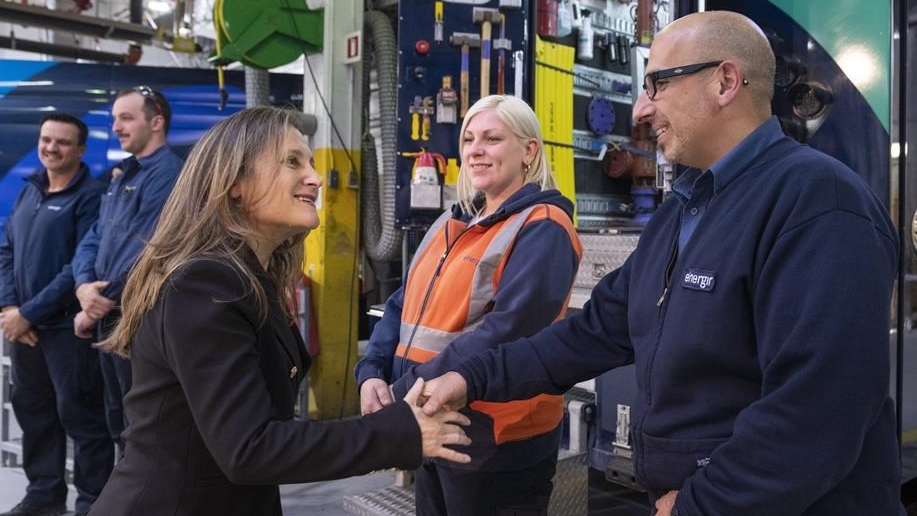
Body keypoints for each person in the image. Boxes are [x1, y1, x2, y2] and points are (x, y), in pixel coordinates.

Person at [422, 11, 905, 516]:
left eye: (656, 84)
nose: (639, 108)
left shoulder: (818, 203)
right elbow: (590, 333)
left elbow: (817, 412)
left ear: (724, 82)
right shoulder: (684, 209)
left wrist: (699, 505)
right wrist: (470, 378)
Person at [84, 106, 472, 516]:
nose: (316, 177)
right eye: (292, 161)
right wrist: (399, 431)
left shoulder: (245, 276)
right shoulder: (204, 285)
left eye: (309, 161)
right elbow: (249, 448)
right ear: (235, 183)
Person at [355, 94, 582, 516]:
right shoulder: (451, 222)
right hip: (431, 426)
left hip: (496, 442)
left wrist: (401, 396)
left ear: (529, 150)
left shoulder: (544, 228)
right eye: (469, 139)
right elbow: (401, 305)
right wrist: (371, 374)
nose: (476, 150)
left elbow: (505, 333)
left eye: (493, 138)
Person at [0, 114, 111, 516]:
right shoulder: (30, 191)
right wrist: (11, 308)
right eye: (46, 139)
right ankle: (44, 496)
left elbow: (76, 269)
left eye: (62, 142)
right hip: (28, 330)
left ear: (80, 150)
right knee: (35, 413)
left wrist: (27, 313)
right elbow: (6, 250)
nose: (51, 148)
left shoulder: (91, 198)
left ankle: (91, 503)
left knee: (82, 419)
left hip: (68, 330)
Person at [71, 85, 183, 452]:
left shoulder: (168, 176)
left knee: (141, 425)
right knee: (117, 418)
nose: (116, 126)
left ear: (157, 122)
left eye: (126, 117)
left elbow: (153, 250)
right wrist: (84, 288)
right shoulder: (123, 178)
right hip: (108, 313)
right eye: (114, 118)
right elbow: (92, 239)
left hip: (137, 318)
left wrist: (101, 300)